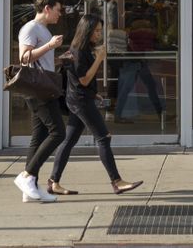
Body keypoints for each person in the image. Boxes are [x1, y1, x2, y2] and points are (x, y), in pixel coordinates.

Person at [48, 13, 144, 195]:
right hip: (80, 101)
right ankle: (117, 181)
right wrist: (100, 59)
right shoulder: (78, 52)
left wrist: (95, 94)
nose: (99, 34)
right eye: (96, 31)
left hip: (81, 98)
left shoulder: (82, 49)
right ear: (87, 31)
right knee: (103, 137)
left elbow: (79, 81)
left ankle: (53, 182)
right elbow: (83, 79)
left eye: (100, 30)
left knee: (69, 141)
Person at [12, 0, 67, 202]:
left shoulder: (42, 30)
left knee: (39, 136)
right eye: (57, 10)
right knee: (58, 132)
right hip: (38, 89)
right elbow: (24, 58)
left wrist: (57, 56)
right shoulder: (30, 28)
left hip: (41, 87)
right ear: (47, 8)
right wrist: (50, 46)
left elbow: (40, 59)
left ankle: (30, 187)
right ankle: (26, 176)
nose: (59, 14)